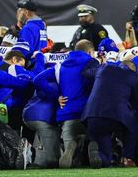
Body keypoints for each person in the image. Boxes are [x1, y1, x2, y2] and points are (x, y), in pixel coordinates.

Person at [38, 40, 99, 168]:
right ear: (89, 51)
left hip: (67, 112)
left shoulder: (60, 65)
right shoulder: (92, 62)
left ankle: (71, 150)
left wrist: (56, 96)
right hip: (87, 112)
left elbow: (38, 79)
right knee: (95, 137)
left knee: (70, 157)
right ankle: (91, 148)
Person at [82, 56, 138, 168]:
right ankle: (127, 158)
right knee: (133, 124)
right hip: (116, 117)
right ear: (133, 70)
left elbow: (85, 72)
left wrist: (96, 60)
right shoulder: (133, 77)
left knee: (105, 154)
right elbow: (135, 102)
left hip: (91, 115)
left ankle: (100, 156)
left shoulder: (103, 69)